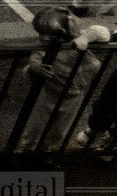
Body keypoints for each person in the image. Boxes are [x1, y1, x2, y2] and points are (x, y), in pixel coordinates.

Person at [16, 8, 111, 154]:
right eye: (41, 33)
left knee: (59, 130)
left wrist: (85, 38)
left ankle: (46, 150)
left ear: (68, 30)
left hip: (73, 96)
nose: (45, 38)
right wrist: (35, 68)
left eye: (52, 34)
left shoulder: (77, 38)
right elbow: (32, 64)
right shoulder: (43, 47)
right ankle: (27, 150)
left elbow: (103, 32)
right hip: (48, 93)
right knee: (36, 126)